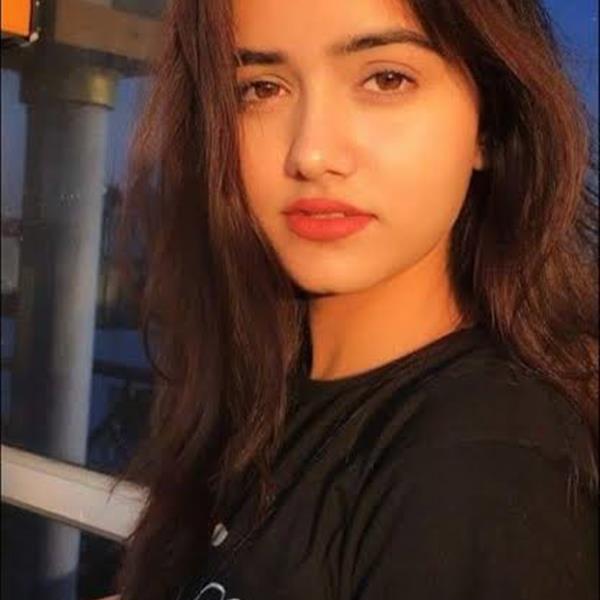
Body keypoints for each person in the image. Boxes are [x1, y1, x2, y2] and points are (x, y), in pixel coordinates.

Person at [103, 0, 599, 599]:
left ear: (489, 123)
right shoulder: (265, 388)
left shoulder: (481, 468)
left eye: (386, 79)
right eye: (261, 88)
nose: (311, 154)